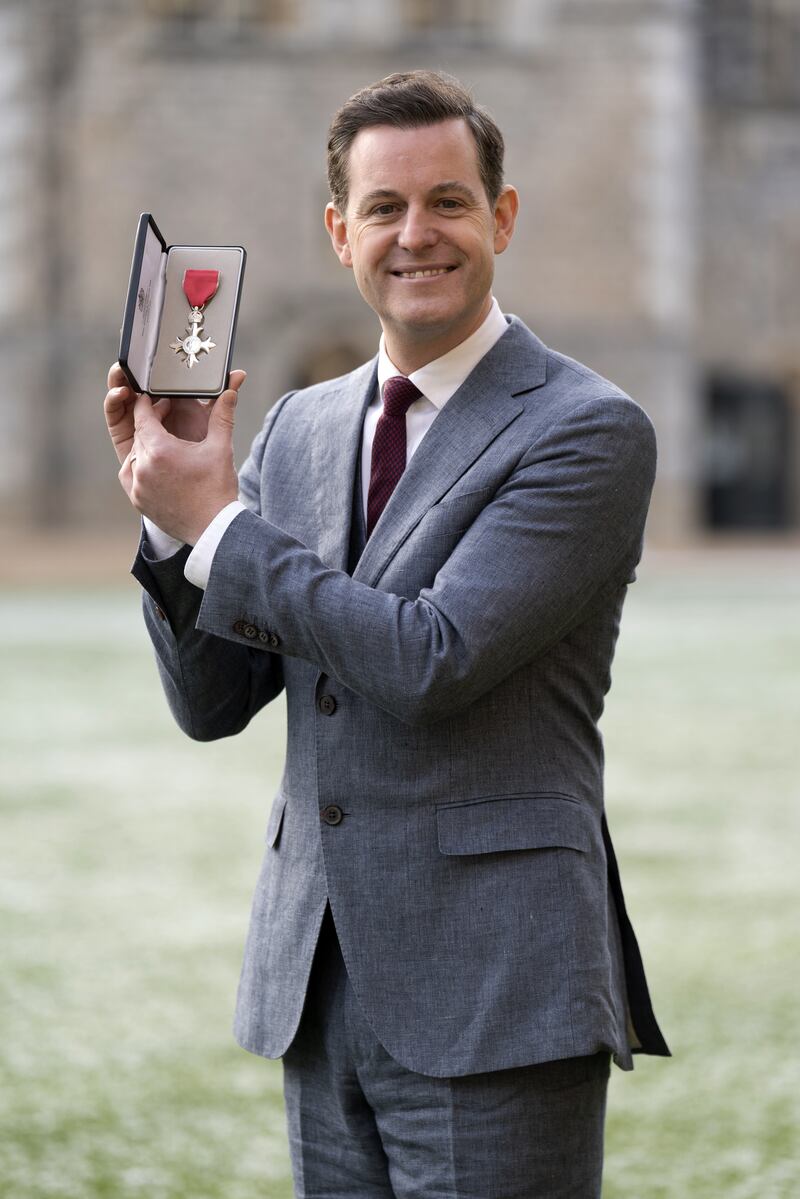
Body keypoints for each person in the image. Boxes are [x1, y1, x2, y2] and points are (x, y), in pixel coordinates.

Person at [104, 70, 669, 1199]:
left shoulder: (588, 429)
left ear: (500, 218)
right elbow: (214, 701)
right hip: (316, 974)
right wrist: (168, 526)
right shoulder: (297, 427)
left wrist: (216, 523)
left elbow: (429, 657)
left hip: (496, 985)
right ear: (338, 232)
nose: (417, 234)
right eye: (384, 208)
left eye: (449, 202)